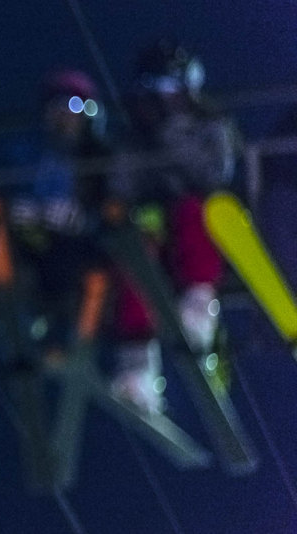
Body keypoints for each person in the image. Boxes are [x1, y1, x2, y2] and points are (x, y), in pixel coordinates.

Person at [109, 39, 242, 411]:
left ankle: (199, 317)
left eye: (168, 88)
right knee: (134, 244)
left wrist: (171, 135)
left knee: (192, 209)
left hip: (200, 234)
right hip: (155, 232)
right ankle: (137, 368)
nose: (161, 100)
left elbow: (215, 174)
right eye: (153, 90)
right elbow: (122, 187)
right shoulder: (134, 138)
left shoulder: (210, 126)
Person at [8, 69, 113, 364]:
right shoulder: (26, 153)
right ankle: (20, 334)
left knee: (73, 269)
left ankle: (61, 340)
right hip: (31, 238)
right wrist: (19, 209)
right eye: (59, 106)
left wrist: (84, 217)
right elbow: (5, 190)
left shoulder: (97, 157)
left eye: (75, 107)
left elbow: (112, 204)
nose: (65, 116)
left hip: (79, 245)